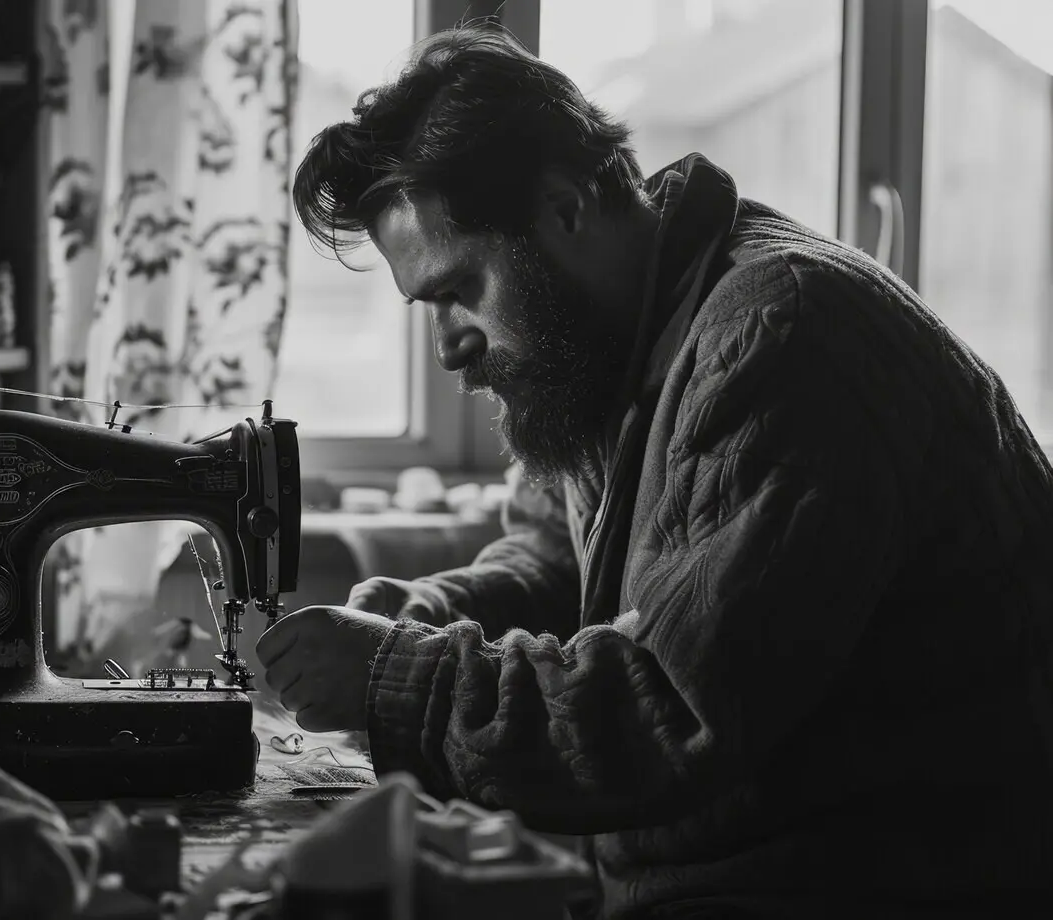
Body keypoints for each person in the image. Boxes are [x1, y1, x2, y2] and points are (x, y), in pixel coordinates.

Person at [257, 23, 1053, 920]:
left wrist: (398, 678)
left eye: (458, 289)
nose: (447, 349)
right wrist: (433, 613)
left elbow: (671, 709)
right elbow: (560, 565)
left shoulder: (779, 337)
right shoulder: (598, 348)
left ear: (564, 210)